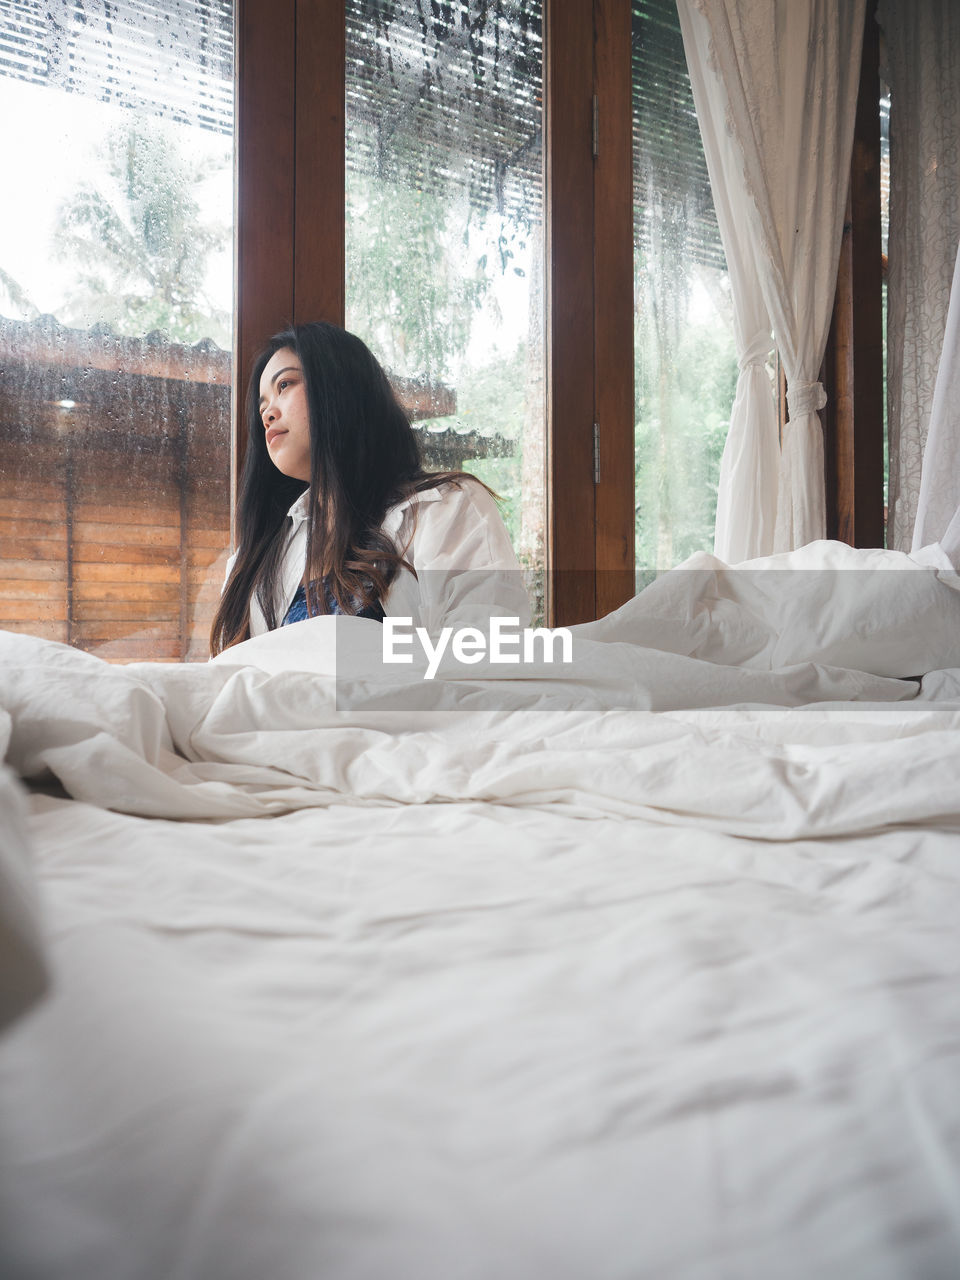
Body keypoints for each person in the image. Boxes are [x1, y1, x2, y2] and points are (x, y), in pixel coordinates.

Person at [210, 321, 530, 655]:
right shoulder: (254, 559)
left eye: (285, 385)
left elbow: (488, 652)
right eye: (262, 406)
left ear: (340, 388)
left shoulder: (448, 507)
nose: (267, 414)